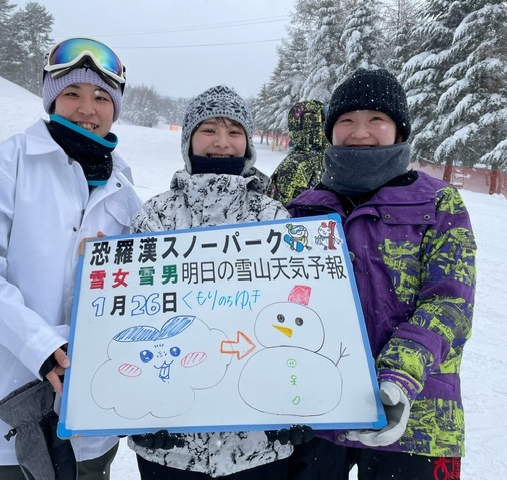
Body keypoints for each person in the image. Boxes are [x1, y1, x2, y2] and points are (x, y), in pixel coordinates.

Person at [0, 37, 142, 480]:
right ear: (51, 99)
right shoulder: (1, 167)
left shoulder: (124, 193)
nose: (88, 108)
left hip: (88, 429)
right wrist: (40, 345)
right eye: (72, 94)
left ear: (115, 107)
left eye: (101, 97)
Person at [285, 68, 476, 480]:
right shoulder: (303, 209)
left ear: (398, 129)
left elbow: (451, 301)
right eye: (347, 120)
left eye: (376, 120)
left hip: (418, 416)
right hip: (319, 414)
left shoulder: (439, 201)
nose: (360, 132)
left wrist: (396, 379)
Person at [128, 84, 313, 479]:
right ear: (189, 139)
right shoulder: (156, 215)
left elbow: (293, 311)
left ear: (247, 143)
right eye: (209, 129)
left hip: (258, 441)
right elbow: (132, 313)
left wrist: (298, 399)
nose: (222, 143)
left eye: (234, 132)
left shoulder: (272, 215)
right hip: (172, 442)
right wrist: (139, 404)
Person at [268, 100, 329, 203]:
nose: (327, 131)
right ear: (312, 129)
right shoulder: (293, 166)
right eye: (322, 126)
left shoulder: (325, 157)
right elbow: (276, 211)